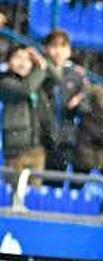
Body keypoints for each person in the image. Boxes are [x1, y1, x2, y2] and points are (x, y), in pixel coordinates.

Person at [0, 45, 56, 184]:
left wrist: (41, 60)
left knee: (33, 196)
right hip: (16, 150)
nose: (22, 62)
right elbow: (25, 90)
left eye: (27, 59)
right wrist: (41, 68)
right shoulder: (5, 82)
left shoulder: (37, 80)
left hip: (37, 149)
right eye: (18, 57)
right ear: (8, 62)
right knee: (14, 195)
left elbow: (56, 79)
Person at [42, 29, 88, 174]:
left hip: (64, 139)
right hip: (41, 138)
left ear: (69, 51)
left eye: (62, 46)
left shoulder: (76, 75)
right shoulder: (38, 70)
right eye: (54, 46)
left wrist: (78, 105)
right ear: (46, 49)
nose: (58, 51)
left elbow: (86, 107)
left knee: (55, 183)